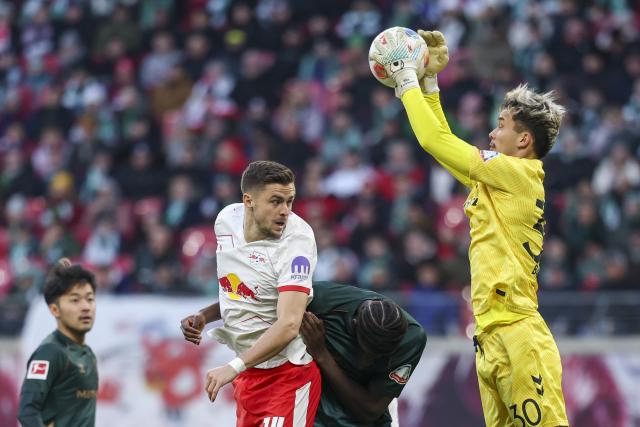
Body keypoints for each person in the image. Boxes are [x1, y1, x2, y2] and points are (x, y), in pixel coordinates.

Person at [370, 29, 569, 426]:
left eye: (501, 126)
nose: (492, 134)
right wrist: (429, 82)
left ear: (524, 139)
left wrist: (405, 77)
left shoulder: (519, 174)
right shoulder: (496, 179)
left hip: (517, 332)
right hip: (489, 335)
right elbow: (441, 140)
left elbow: (431, 140)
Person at [181, 160, 320, 427]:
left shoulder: (297, 243)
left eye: (290, 201)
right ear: (249, 201)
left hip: (287, 374)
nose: (285, 212)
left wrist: (232, 367)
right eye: (276, 201)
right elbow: (241, 292)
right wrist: (204, 316)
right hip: (249, 376)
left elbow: (289, 324)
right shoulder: (226, 222)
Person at [181, 281, 427, 427]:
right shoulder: (328, 301)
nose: (371, 360)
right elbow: (259, 300)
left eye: (381, 355)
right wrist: (204, 316)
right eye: (369, 350)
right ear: (352, 326)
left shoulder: (412, 340)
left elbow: (370, 409)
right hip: (316, 411)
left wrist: (322, 355)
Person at [18, 258, 98, 427]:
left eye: (89, 299)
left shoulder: (88, 354)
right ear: (55, 310)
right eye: (75, 300)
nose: (85, 307)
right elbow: (27, 410)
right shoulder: (50, 353)